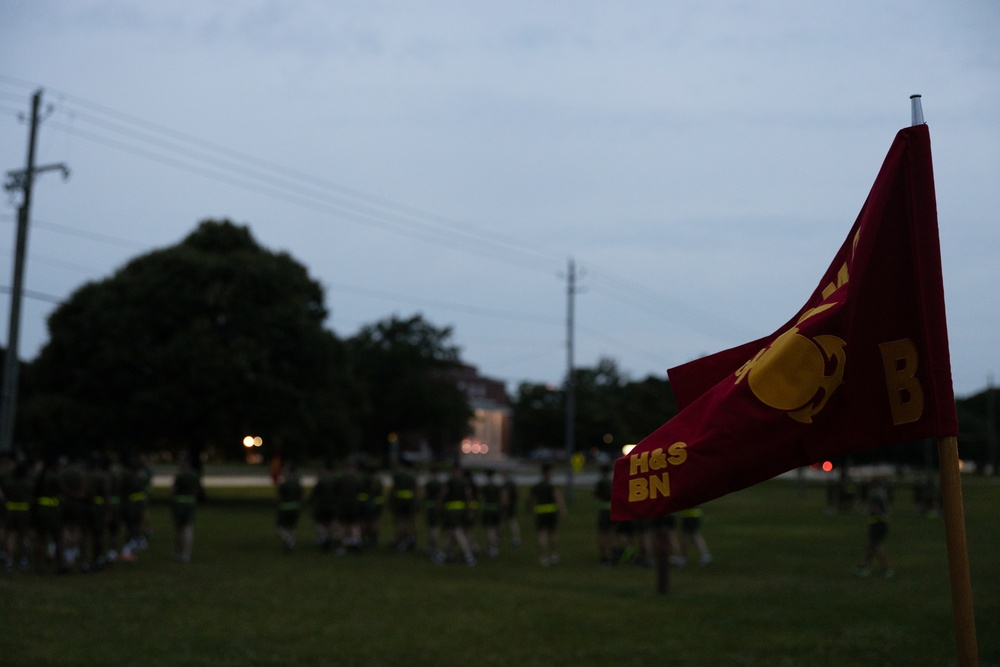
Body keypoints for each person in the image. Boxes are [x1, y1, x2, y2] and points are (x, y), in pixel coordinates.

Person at [526, 463, 566, 566]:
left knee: (542, 534)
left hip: (540, 512)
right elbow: (557, 497)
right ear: (548, 472)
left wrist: (529, 508)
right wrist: (562, 510)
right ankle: (554, 555)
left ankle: (542, 557)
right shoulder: (550, 486)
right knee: (552, 534)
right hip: (551, 512)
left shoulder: (537, 486)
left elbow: (530, 498)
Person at [438, 462, 476, 565]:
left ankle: (468, 555)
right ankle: (446, 554)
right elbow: (469, 496)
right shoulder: (465, 482)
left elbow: (443, 494)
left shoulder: (450, 481)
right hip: (462, 510)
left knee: (457, 532)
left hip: (452, 511)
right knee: (451, 533)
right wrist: (470, 510)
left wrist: (440, 506)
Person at [856, 482, 893, 578]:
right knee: (871, 546)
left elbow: (876, 510)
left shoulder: (874, 495)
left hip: (878, 523)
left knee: (877, 546)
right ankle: (866, 566)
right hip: (879, 522)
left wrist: (875, 522)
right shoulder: (882, 493)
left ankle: (886, 568)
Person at [171, 453, 201, 563]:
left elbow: (173, 490)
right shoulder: (195, 475)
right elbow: (197, 490)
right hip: (191, 502)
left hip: (179, 503)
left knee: (179, 529)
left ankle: (178, 552)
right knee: (188, 528)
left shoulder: (180, 475)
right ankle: (186, 554)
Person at [389, 459, 418, 553]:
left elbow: (393, 488)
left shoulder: (397, 475)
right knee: (412, 521)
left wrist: (391, 499)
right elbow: (415, 488)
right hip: (410, 500)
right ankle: (412, 539)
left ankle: (400, 542)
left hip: (399, 501)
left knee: (400, 521)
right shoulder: (412, 475)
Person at [309, 459, 338, 552]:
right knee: (330, 523)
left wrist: (311, 505)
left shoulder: (322, 480)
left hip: (322, 506)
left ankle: (325, 539)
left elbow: (314, 495)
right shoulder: (335, 479)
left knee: (320, 524)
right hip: (333, 506)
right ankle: (330, 538)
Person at [276, 462, 304, 552]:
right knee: (290, 527)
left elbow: (279, 497)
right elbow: (301, 497)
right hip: (295, 508)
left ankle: (289, 540)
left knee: (281, 528)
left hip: (285, 508)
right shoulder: (298, 484)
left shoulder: (284, 484)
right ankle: (291, 543)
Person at [479, 469, 503, 557]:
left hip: (488, 509)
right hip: (496, 509)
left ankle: (493, 548)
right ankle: (494, 545)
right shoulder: (497, 487)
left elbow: (482, 498)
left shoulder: (485, 487)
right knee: (495, 528)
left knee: (490, 530)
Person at [594, 464, 614, 565]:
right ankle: (610, 554)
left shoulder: (601, 482)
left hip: (604, 509)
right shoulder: (612, 481)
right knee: (610, 533)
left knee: (603, 533)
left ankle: (604, 556)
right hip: (613, 509)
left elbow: (596, 494)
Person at [500, 469, 522, 548]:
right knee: (510, 521)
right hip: (513, 504)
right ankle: (501, 535)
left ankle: (516, 539)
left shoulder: (506, 485)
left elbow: (505, 496)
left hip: (508, 506)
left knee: (510, 521)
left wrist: (504, 506)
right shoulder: (513, 484)